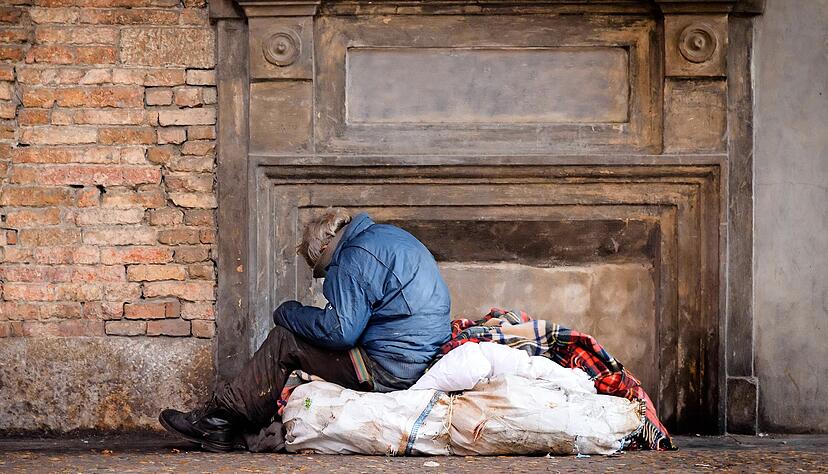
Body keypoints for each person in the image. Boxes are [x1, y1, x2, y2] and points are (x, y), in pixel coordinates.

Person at [159, 209, 452, 451]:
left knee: (284, 340)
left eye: (323, 271)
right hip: (419, 355)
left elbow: (341, 331)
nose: (327, 278)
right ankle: (233, 420)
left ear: (324, 249)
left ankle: (218, 421)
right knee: (296, 338)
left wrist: (288, 312)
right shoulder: (388, 236)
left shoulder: (352, 257)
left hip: (390, 367)